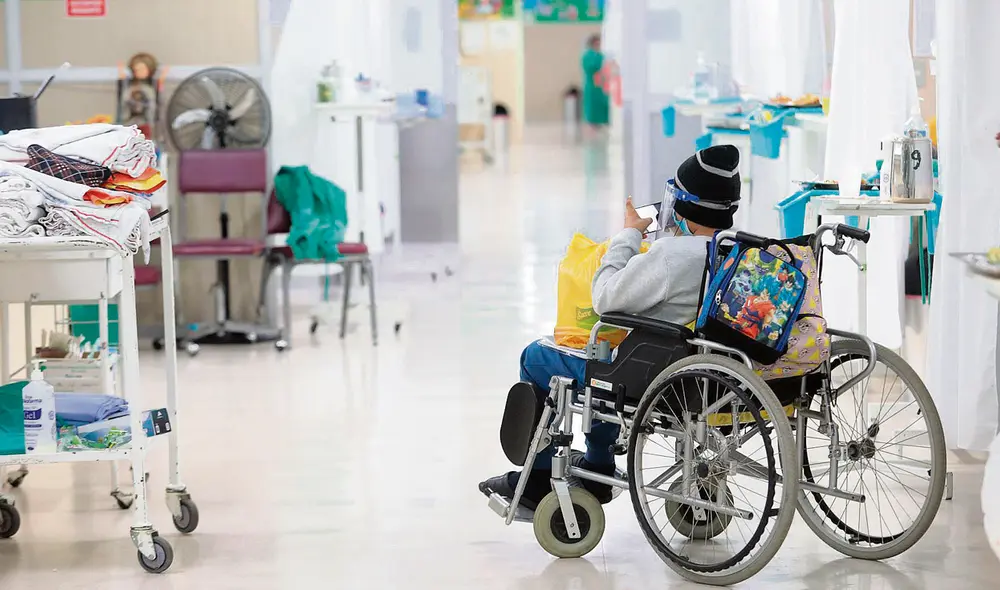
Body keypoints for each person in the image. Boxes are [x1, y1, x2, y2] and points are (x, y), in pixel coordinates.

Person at [479, 145, 743, 510]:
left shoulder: (671, 256)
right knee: (611, 359)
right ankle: (594, 466)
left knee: (538, 357)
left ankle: (542, 477)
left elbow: (605, 298)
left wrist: (628, 236)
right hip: (706, 374)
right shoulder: (737, 252)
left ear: (684, 206)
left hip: (653, 374)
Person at [581, 34, 609, 129]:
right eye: (597, 43)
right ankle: (593, 122)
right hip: (592, 84)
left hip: (601, 84)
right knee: (592, 104)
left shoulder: (600, 55)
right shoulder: (588, 55)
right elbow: (592, 67)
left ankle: (602, 121)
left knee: (601, 102)